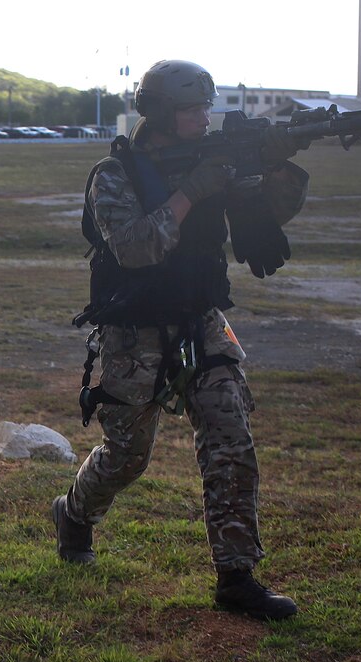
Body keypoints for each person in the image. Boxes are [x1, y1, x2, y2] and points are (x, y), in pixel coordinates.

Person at [52, 60, 307, 620]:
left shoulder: (212, 159)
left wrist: (273, 164)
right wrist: (194, 188)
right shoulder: (114, 175)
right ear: (164, 115)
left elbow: (266, 213)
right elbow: (136, 248)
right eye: (193, 110)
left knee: (230, 433)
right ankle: (73, 514)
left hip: (201, 318)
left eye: (206, 108)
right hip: (132, 331)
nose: (204, 118)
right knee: (128, 456)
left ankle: (236, 576)